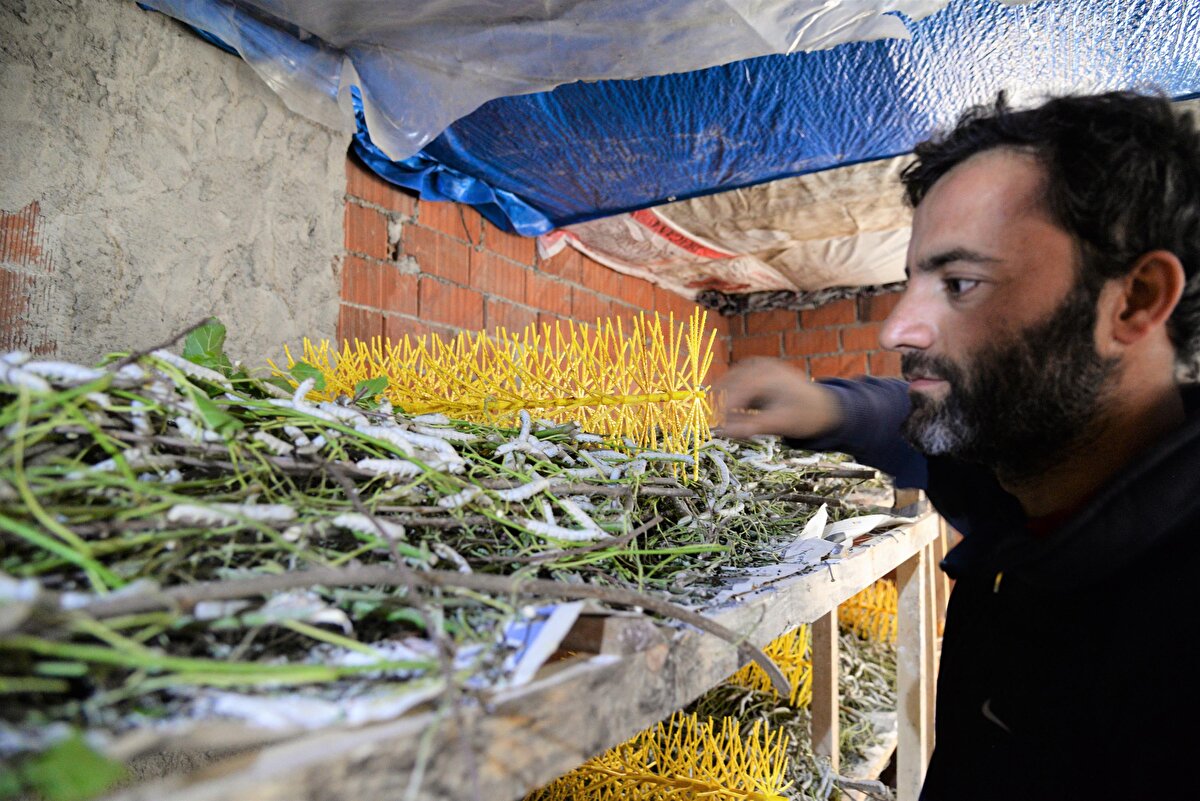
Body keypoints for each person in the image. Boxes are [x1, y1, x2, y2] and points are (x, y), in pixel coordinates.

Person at [717, 92, 1200, 800]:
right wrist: (828, 408)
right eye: (911, 281)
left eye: (961, 283)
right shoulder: (1037, 486)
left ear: (1133, 300)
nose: (898, 329)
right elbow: (924, 437)